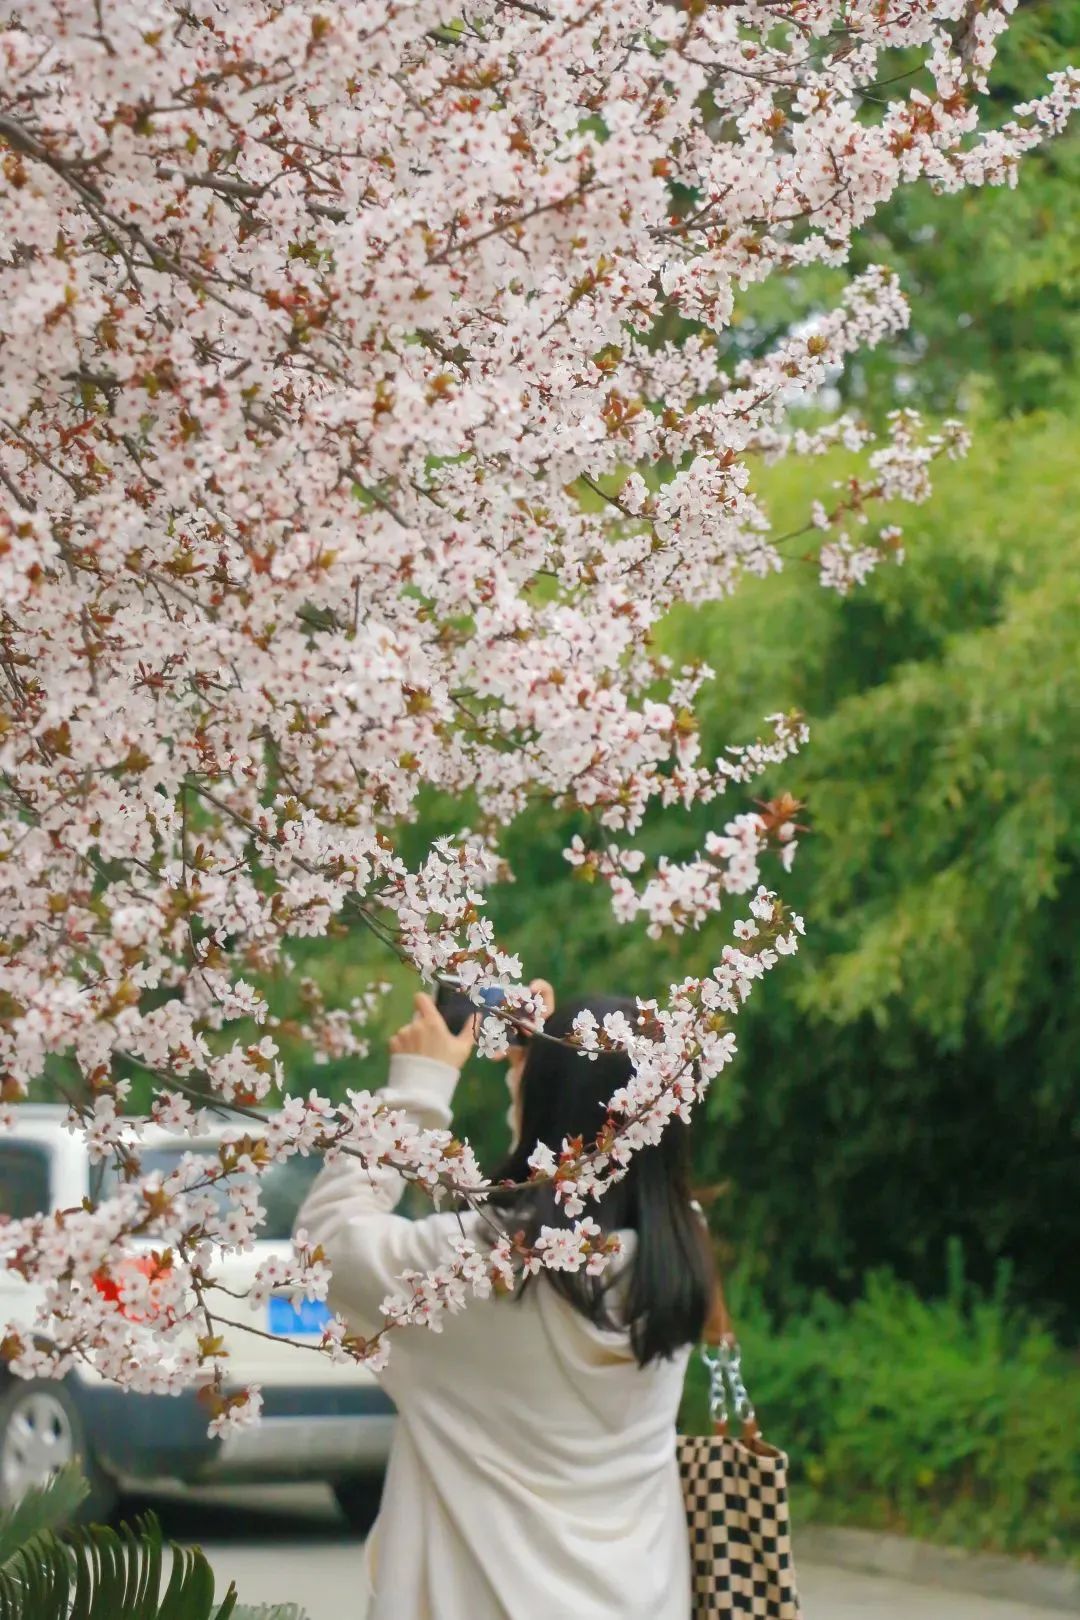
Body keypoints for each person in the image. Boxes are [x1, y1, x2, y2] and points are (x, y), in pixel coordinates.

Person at [295, 982, 714, 1620]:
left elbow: (328, 1239)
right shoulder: (680, 1252)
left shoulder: (481, 1267)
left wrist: (418, 1089)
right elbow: (592, 1165)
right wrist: (547, 1067)